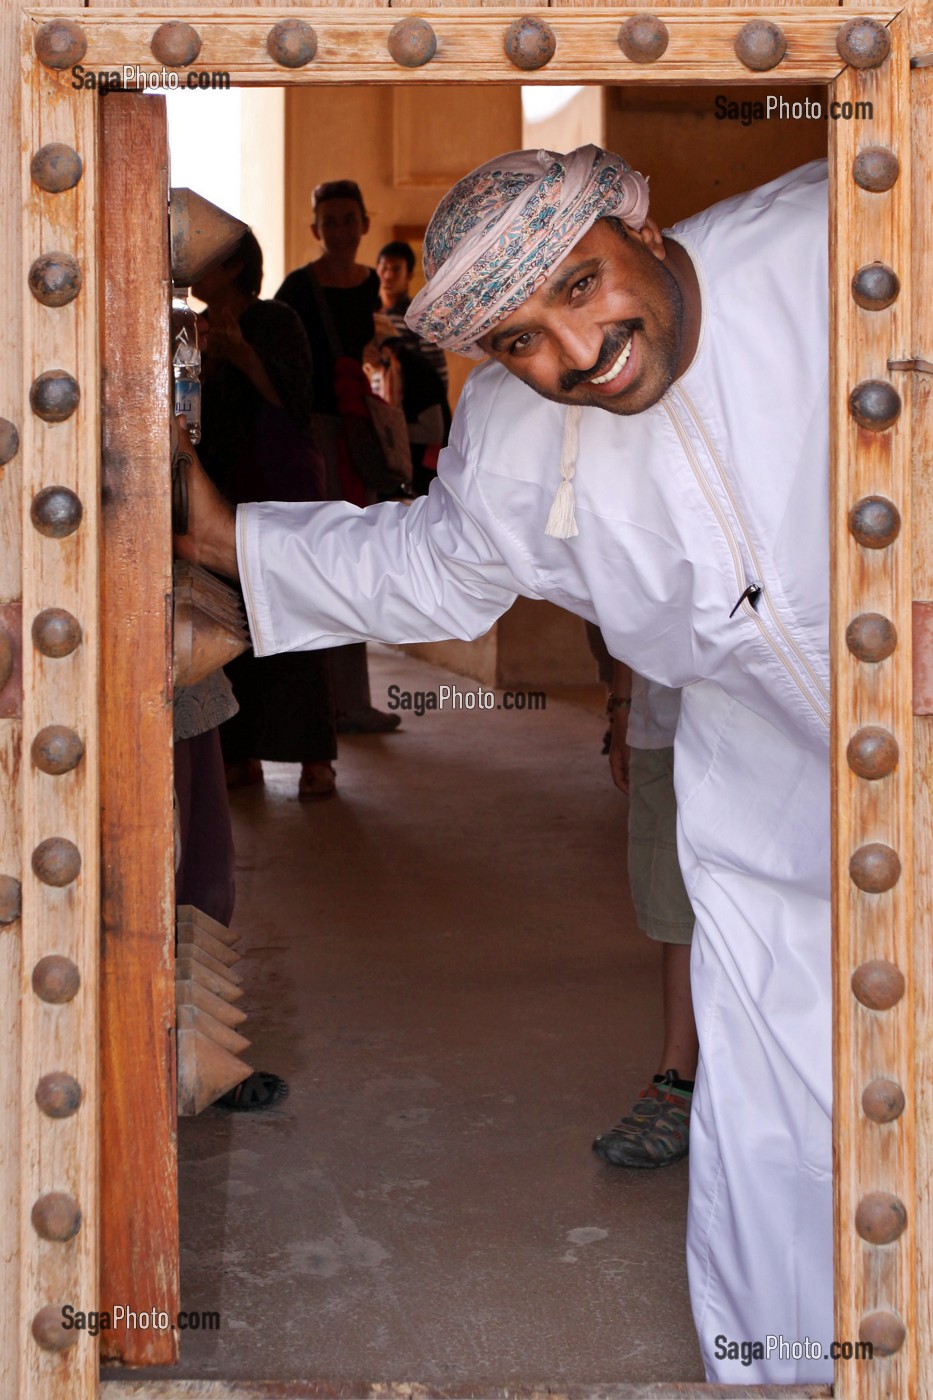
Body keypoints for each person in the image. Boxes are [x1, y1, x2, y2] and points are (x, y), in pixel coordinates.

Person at [176, 145, 833, 1386]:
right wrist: (221, 535)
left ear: (638, 225)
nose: (578, 354)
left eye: (582, 284)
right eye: (521, 339)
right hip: (764, 794)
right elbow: (429, 567)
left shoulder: (833, 242)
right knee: (778, 1125)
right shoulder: (519, 434)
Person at [192, 229, 339, 800]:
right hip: (220, 493)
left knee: (295, 615)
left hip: (279, 492)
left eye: (205, 260)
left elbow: (295, 401)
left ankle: (315, 758)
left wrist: (240, 354)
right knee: (227, 624)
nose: (192, 270)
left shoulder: (277, 319)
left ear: (233, 267)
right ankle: (240, 754)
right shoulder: (192, 325)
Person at [276, 181, 401, 735]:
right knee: (324, 562)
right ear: (316, 229)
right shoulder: (298, 288)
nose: (341, 230)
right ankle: (323, 703)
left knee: (353, 561)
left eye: (349, 219)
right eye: (330, 221)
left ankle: (349, 700)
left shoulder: (372, 284)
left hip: (357, 437)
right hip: (316, 438)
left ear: (364, 223)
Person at [593, 665, 697, 1169]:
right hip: (668, 720)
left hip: (773, 719)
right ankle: (677, 1082)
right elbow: (626, 619)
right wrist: (624, 703)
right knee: (677, 910)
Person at [377, 239, 451, 391]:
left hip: (409, 402)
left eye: (396, 269)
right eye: (384, 268)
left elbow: (437, 374)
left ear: (409, 275)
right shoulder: (368, 312)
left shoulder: (419, 316)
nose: (388, 275)